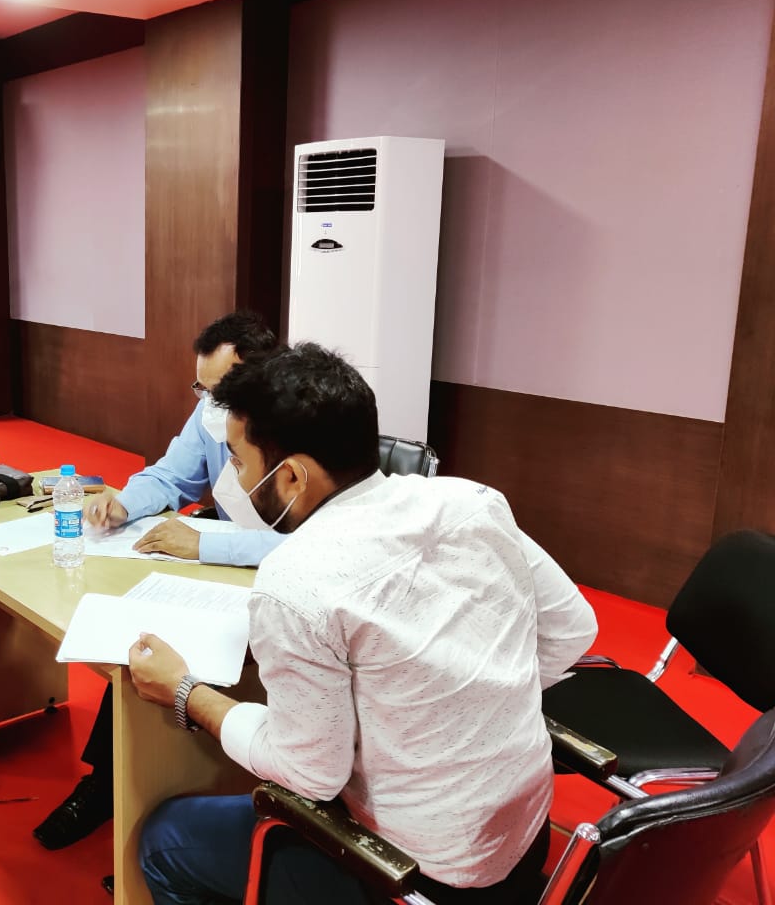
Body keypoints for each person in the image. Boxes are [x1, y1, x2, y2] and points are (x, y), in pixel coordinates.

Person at [129, 343, 599, 905]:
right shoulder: (472, 500)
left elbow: (310, 775)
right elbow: (572, 628)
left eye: (238, 460)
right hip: (526, 839)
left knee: (163, 841)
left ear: (292, 476)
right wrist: (469, 702)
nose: (233, 475)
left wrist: (185, 692)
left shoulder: (296, 579)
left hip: (414, 875)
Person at [33, 312, 284, 853]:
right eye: (202, 389)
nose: (209, 402)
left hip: (283, 586)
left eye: (220, 390)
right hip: (227, 568)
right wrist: (124, 503)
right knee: (141, 634)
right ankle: (109, 783)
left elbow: (308, 542)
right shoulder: (211, 413)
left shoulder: (296, 426)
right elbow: (171, 475)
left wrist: (206, 545)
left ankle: (154, 798)